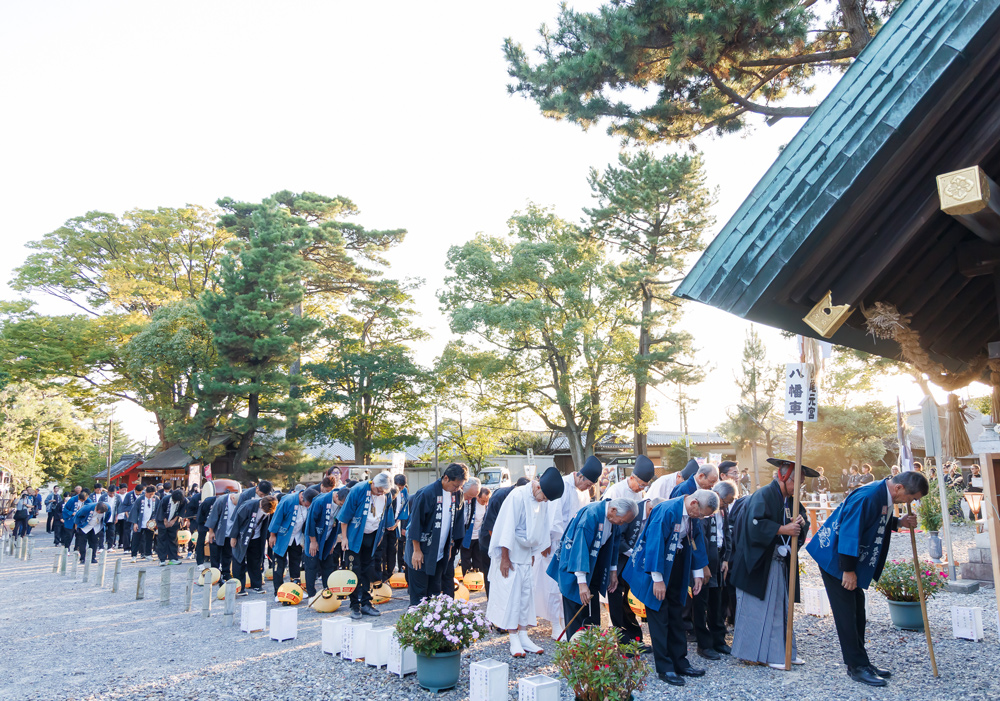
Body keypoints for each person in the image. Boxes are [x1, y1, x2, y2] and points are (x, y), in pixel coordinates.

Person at [806, 470, 928, 687]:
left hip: (844, 557)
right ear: (899, 488)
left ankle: (862, 661)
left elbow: (875, 520)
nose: (910, 502)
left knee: (857, 609)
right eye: (911, 498)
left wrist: (898, 522)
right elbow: (849, 532)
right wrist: (848, 570)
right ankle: (856, 666)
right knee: (847, 613)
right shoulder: (869, 496)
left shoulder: (883, 493)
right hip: (835, 558)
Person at [624, 490, 719, 686]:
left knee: (677, 614)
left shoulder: (692, 515)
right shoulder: (666, 511)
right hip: (653, 569)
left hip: (676, 566)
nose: (700, 518)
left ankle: (680, 661)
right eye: (701, 514)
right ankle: (665, 667)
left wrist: (698, 573)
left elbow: (697, 541)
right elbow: (654, 544)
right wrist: (657, 579)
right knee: (659, 616)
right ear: (693, 503)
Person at [730, 459, 814, 669]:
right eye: (797, 482)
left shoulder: (790, 500)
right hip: (758, 563)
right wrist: (783, 529)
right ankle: (761, 654)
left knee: (781, 608)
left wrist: (801, 524)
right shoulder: (764, 494)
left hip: (779, 562)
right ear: (783, 477)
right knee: (758, 609)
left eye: (801, 483)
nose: (799, 487)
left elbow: (801, 518)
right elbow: (754, 524)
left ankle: (783, 651)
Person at [485, 467, 565, 657]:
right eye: (544, 497)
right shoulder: (518, 496)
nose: (544, 501)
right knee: (511, 596)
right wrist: (504, 557)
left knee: (525, 596)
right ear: (538, 487)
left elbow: (540, 527)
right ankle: (513, 638)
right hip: (511, 553)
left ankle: (523, 635)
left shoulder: (542, 500)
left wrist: (533, 552)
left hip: (526, 554)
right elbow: (506, 527)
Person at [547, 497, 638, 639]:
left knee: (592, 613)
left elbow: (614, 546)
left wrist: (613, 572)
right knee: (577, 611)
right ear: (613, 510)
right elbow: (579, 548)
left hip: (593, 568)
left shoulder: (611, 518)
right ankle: (576, 654)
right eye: (622, 520)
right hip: (575, 569)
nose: (622, 524)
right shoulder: (592, 515)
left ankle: (591, 654)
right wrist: (582, 583)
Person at [534, 457, 602, 639]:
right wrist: (546, 541)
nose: (587, 488)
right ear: (580, 476)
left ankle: (567, 623)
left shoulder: (584, 491)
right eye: (586, 484)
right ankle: (556, 624)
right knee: (554, 585)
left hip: (574, 545)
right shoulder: (561, 485)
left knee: (569, 584)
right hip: (556, 543)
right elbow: (552, 517)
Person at [404, 463, 468, 605]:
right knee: (419, 594)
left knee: (434, 592)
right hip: (421, 549)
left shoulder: (458, 495)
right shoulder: (427, 493)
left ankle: (431, 625)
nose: (457, 489)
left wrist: (451, 546)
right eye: (455, 485)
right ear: (445, 478)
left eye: (460, 486)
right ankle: (416, 625)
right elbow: (415, 523)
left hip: (440, 552)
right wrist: (416, 550)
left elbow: (456, 524)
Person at [338, 472, 396, 618]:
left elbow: (385, 517)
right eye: (379, 490)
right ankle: (354, 605)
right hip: (355, 536)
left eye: (384, 491)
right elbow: (345, 516)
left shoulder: (386, 495)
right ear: (374, 483)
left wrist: (382, 534)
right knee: (353, 571)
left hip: (373, 535)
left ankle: (365, 602)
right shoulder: (358, 490)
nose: (380, 493)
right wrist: (344, 538)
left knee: (368, 569)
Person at [609, 494, 663, 648]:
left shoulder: (653, 513)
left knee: (631, 601)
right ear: (651, 508)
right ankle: (624, 642)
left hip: (637, 565)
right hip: (619, 562)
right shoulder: (632, 511)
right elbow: (618, 538)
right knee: (619, 601)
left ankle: (635, 639)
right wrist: (635, 554)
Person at [692, 480, 736, 660]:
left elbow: (727, 534)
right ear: (716, 494)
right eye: (725, 501)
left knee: (717, 602)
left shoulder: (723, 511)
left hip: (719, 559)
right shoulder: (705, 508)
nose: (725, 505)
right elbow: (697, 540)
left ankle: (719, 640)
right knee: (701, 603)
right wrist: (703, 566)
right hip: (704, 562)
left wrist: (726, 559)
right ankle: (704, 644)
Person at [480, 477, 529, 599]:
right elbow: (491, 527)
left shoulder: (525, 497)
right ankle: (492, 600)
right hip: (489, 539)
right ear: (516, 487)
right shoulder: (500, 497)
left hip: (508, 540)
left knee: (506, 572)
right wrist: (502, 553)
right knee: (493, 571)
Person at [269, 487, 316, 601]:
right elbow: (276, 518)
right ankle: (278, 592)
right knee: (279, 565)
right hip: (282, 537)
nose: (307, 506)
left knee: (295, 564)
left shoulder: (308, 504)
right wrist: (272, 535)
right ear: (302, 497)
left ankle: (295, 589)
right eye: (307, 504)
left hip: (297, 537)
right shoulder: (288, 500)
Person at [304, 486, 349, 597]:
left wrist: (332, 542)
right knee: (312, 564)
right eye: (341, 503)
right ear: (336, 495)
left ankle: (327, 590)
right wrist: (313, 541)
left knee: (328, 564)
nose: (342, 506)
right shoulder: (321, 501)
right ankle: (311, 593)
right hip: (315, 535)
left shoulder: (341, 503)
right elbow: (310, 522)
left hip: (328, 537)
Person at [230, 494, 278, 594]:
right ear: (261, 506)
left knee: (256, 561)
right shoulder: (248, 506)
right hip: (242, 537)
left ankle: (256, 585)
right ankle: (239, 587)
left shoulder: (269, 509)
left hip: (256, 537)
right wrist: (233, 537)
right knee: (239, 560)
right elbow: (236, 521)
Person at [205, 485, 241, 578]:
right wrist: (211, 532)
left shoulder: (239, 502)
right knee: (215, 554)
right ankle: (215, 574)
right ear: (232, 497)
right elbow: (212, 517)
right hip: (218, 531)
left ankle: (226, 573)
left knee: (227, 554)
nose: (235, 505)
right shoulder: (221, 500)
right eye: (234, 503)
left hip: (230, 533)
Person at [459, 486, 490, 576]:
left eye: (487, 500)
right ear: (477, 497)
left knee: (478, 559)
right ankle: (467, 577)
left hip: (479, 537)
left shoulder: (487, 506)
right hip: (468, 536)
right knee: (466, 559)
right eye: (483, 500)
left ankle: (478, 578)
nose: (485, 503)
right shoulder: (470, 503)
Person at [154, 489, 185, 566]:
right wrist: (165, 521)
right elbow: (161, 511)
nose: (175, 502)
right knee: (162, 539)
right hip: (162, 521)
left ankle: (173, 558)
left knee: (173, 539)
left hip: (174, 522)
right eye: (175, 501)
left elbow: (181, 512)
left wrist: (173, 521)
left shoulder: (183, 500)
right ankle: (162, 559)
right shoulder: (165, 499)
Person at [458, 477, 482, 574]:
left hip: (469, 531)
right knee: (465, 558)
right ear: (462, 489)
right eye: (469, 496)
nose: (471, 499)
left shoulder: (473, 500)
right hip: (460, 532)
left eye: (474, 497)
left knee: (477, 558)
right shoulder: (455, 498)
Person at [128, 486, 158, 561]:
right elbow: (134, 511)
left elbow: (158, 510)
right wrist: (135, 523)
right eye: (150, 494)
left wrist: (155, 520)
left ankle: (148, 554)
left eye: (153, 494)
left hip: (150, 523)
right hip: (140, 522)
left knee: (149, 539)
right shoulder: (140, 499)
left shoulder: (156, 499)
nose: (151, 496)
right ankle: (134, 555)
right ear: (146, 492)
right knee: (136, 539)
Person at [391, 474, 409, 575]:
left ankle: (402, 566)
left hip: (401, 521)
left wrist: (403, 525)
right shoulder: (390, 491)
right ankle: (392, 568)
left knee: (402, 544)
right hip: (391, 522)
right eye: (398, 487)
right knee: (394, 547)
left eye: (401, 487)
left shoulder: (404, 491)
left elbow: (405, 508)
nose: (400, 489)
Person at [120, 483, 142, 554]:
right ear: (134, 490)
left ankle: (136, 547)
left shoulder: (143, 495)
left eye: (140, 492)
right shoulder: (129, 495)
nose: (138, 493)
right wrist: (128, 516)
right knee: (127, 532)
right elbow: (124, 506)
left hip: (139, 517)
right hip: (128, 515)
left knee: (137, 532)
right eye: (137, 492)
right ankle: (126, 548)